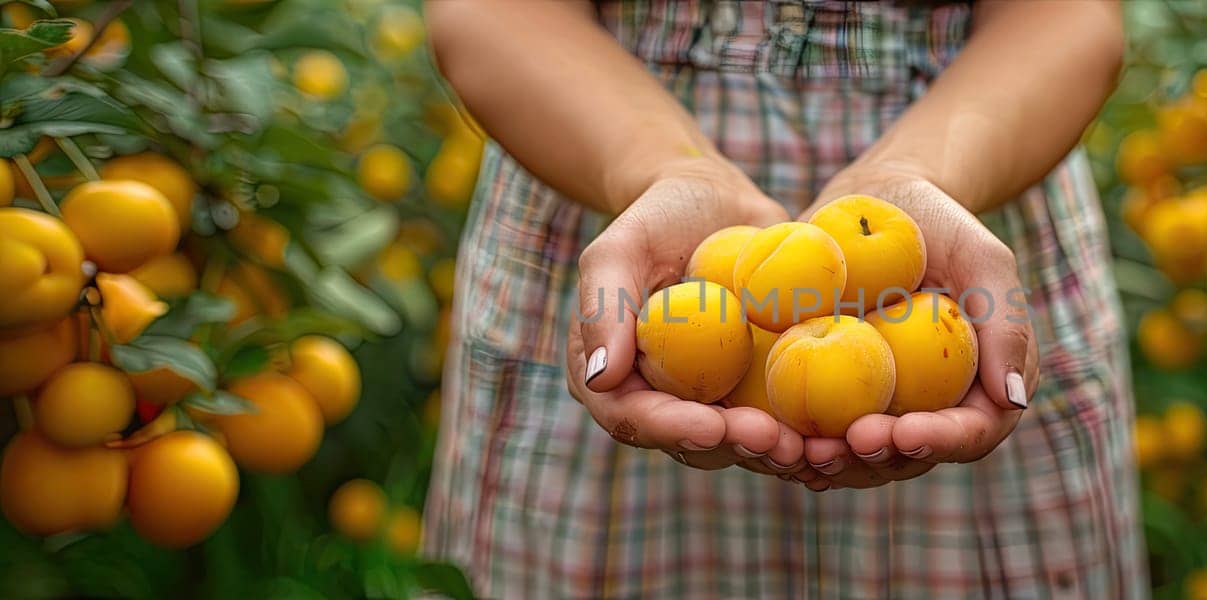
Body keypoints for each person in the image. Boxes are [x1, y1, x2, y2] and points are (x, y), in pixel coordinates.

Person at [423, 1, 1140, 597]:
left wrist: (921, 173)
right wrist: (663, 170)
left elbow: (1073, 17)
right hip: (606, 187)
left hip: (974, 196)